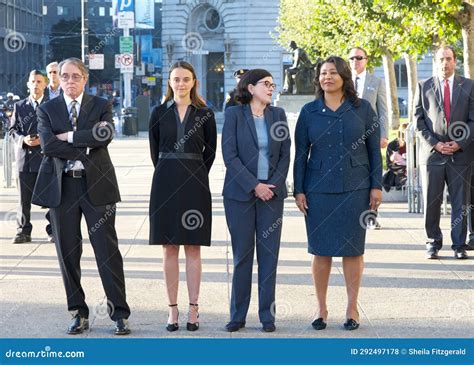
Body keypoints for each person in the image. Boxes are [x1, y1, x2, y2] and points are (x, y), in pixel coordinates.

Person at [33, 57, 131, 335]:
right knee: (67, 252)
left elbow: (105, 134)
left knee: (107, 251)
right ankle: (78, 312)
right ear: (59, 79)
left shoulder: (101, 105)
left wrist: (70, 137)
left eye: (76, 76)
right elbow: (49, 146)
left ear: (85, 79)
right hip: (62, 189)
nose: (70, 81)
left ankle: (120, 314)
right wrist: (86, 146)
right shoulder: (48, 109)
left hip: (97, 187)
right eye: (65, 76)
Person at [294, 56, 382, 331]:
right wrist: (298, 189)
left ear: (344, 76)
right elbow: (300, 155)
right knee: (320, 251)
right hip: (318, 189)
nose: (327, 77)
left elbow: (373, 152)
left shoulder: (363, 109)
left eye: (332, 72)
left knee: (353, 251)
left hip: (356, 188)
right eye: (323, 73)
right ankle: (321, 308)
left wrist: (376, 185)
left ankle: (352, 308)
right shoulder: (309, 111)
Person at [148, 61, 217, 332]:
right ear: (169, 82)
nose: (181, 84)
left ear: (193, 81)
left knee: (193, 246)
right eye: (176, 79)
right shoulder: (158, 113)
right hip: (164, 182)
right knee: (169, 247)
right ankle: (172, 310)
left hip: (195, 183)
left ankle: (194, 308)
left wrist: (194, 171)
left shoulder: (205, 114)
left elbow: (210, 153)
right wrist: (169, 169)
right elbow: (155, 152)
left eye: (186, 79)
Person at [222, 69, 291, 333]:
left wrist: (272, 185)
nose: (271, 88)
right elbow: (230, 156)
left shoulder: (278, 115)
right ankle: (238, 315)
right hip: (240, 195)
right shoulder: (234, 115)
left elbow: (286, 153)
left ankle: (267, 316)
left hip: (272, 195)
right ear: (251, 88)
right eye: (266, 84)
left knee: (269, 256)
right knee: (242, 256)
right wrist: (254, 185)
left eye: (273, 85)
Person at [415, 45, 474, 260]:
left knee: (461, 202)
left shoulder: (469, 86)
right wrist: (435, 144)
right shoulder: (423, 86)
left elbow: (473, 119)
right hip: (433, 155)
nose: (445, 63)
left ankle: (459, 245)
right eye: (441, 59)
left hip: (461, 155)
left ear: (455, 61)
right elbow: (418, 121)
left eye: (448, 59)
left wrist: (459, 143)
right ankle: (432, 242)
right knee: (432, 201)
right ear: (435, 61)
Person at [9, 70, 52, 243]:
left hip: (46, 159)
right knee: (23, 200)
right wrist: (23, 139)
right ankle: (23, 231)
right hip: (25, 160)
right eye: (33, 81)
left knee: (51, 198)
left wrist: (43, 139)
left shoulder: (53, 105)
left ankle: (53, 231)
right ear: (28, 84)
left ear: (45, 84)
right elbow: (12, 131)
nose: (36, 84)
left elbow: (59, 130)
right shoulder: (19, 106)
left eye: (39, 81)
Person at [349, 47, 389, 149]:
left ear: (366, 60)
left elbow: (383, 110)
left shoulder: (377, 82)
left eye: (358, 57)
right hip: (347, 133)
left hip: (369, 133)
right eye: (352, 58)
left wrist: (384, 135)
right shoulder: (342, 82)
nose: (355, 61)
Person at [382, 123, 409, 192]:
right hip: (398, 172)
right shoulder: (393, 145)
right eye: (404, 134)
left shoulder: (416, 143)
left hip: (414, 171)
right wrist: (404, 169)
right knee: (399, 178)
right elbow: (389, 164)